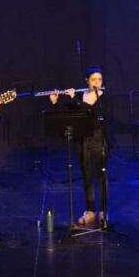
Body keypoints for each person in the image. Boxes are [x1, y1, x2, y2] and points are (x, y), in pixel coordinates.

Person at [50, 66, 109, 226]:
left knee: (101, 177)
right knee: (87, 175)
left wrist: (75, 99)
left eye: (99, 79)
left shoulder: (104, 97)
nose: (97, 82)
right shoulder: (81, 95)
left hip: (99, 139)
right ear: (87, 81)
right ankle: (90, 211)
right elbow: (67, 115)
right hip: (82, 140)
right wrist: (55, 102)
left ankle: (103, 211)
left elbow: (92, 113)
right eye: (93, 79)